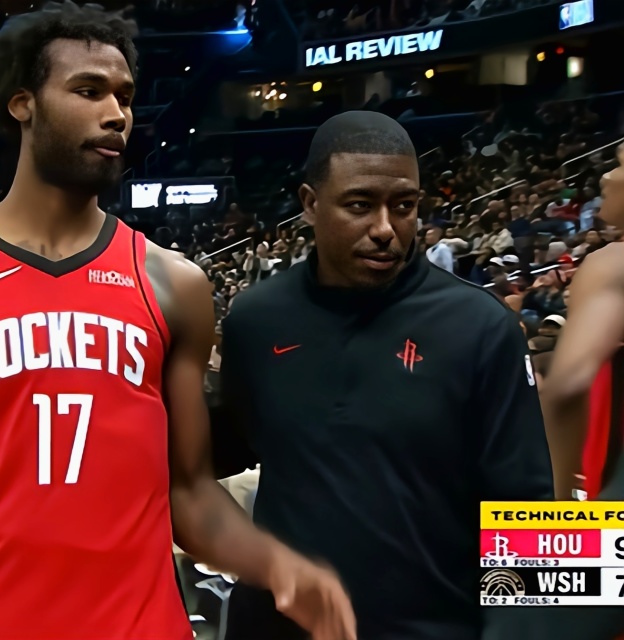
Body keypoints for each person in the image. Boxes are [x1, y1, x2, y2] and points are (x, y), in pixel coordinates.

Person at [0, 5, 355, 640]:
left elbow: (189, 494)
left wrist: (279, 565)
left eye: (124, 96)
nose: (117, 113)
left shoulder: (174, 285)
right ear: (23, 104)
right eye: (89, 91)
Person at [213, 111, 553, 640]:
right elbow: (220, 450)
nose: (385, 229)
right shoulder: (255, 319)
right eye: (359, 205)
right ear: (309, 203)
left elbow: (527, 512)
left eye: (404, 206)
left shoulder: (482, 326)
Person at [532, 147, 624, 639]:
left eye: (621, 162)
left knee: (519, 613)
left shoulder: (612, 263)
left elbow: (567, 388)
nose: (607, 175)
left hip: (608, 511)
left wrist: (561, 509)